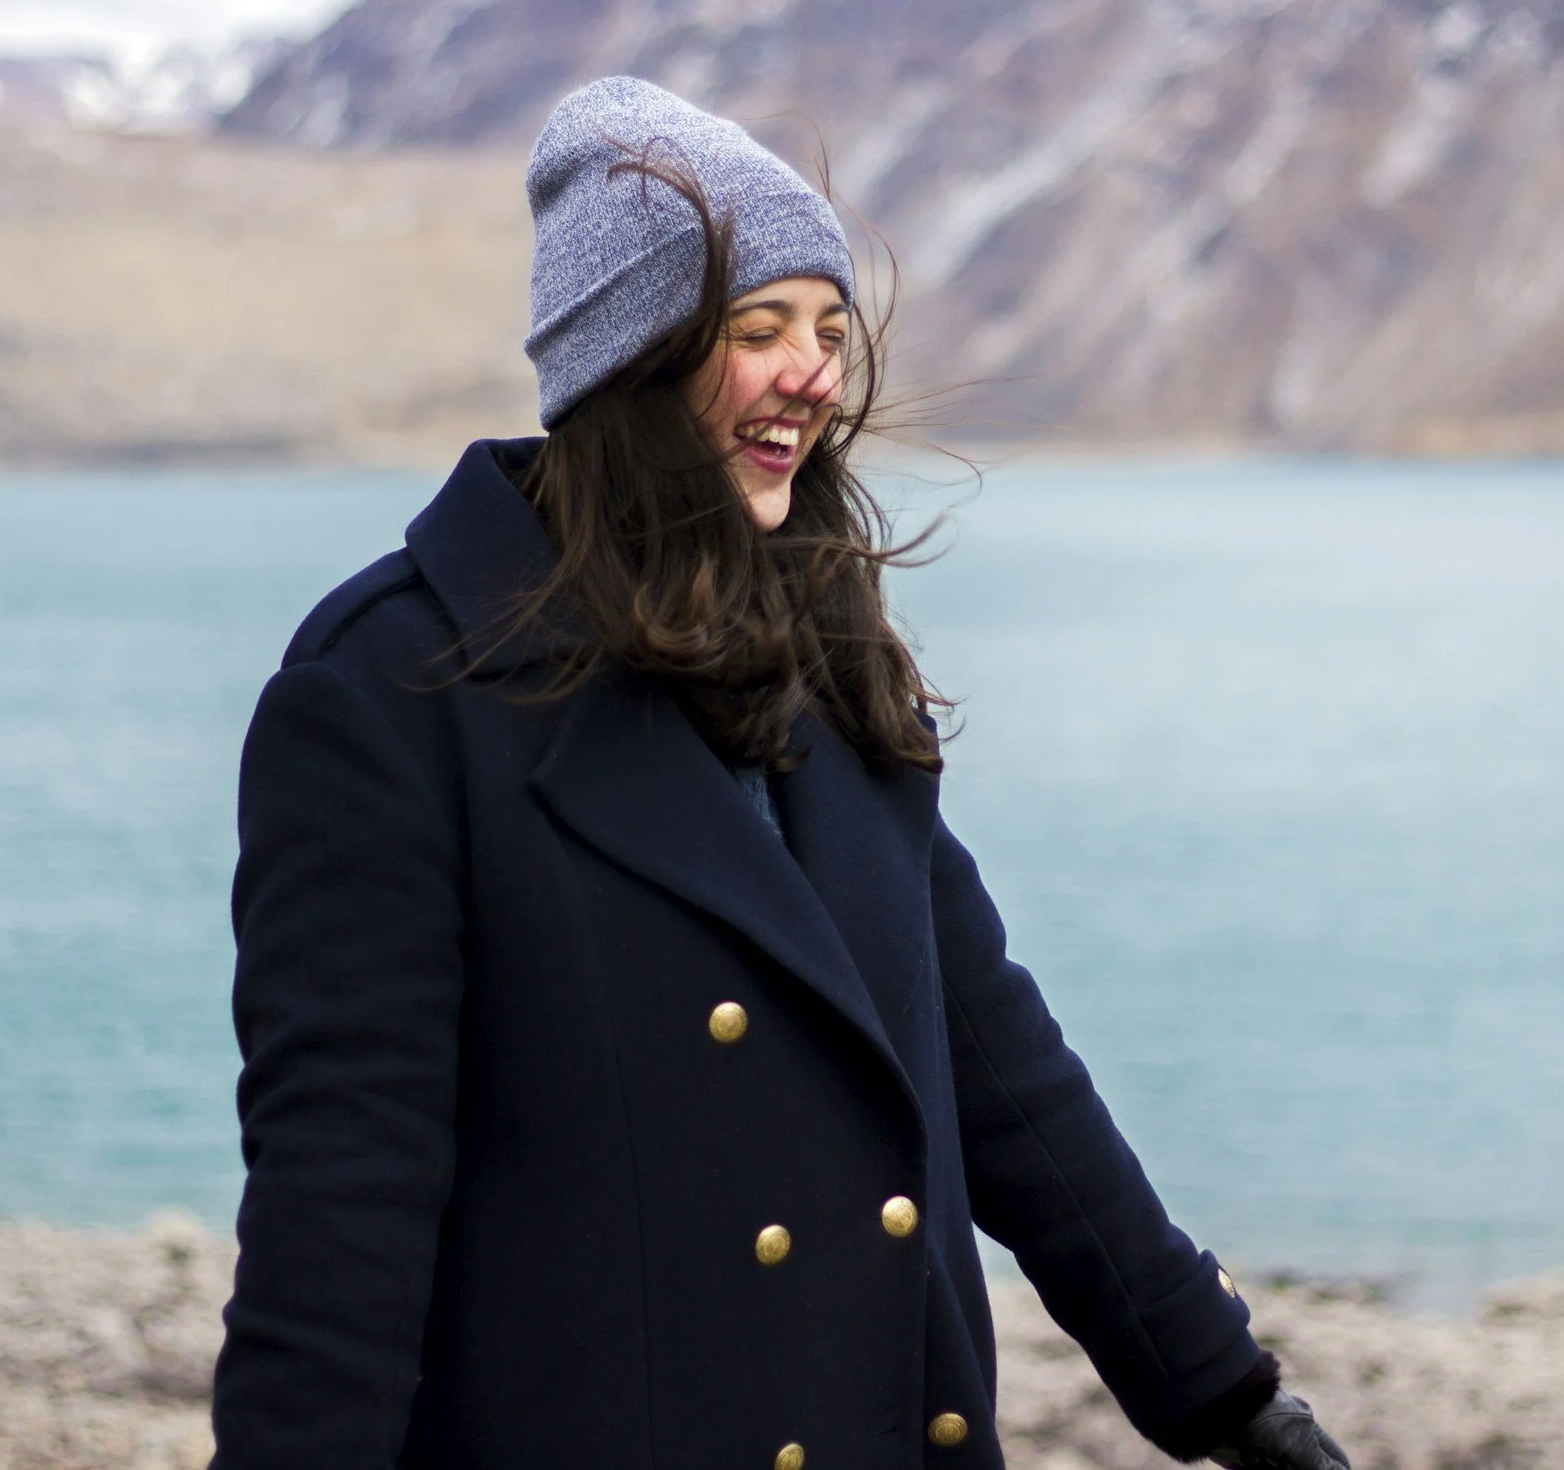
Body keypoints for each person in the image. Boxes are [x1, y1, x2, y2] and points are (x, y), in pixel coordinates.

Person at [211, 76, 1350, 1470]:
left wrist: (1226, 1391)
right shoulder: (392, 693)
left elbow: (1003, 1071)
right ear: (628, 359)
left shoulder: (817, 647)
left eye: (828, 328)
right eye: (760, 331)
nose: (814, 375)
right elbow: (343, 1205)